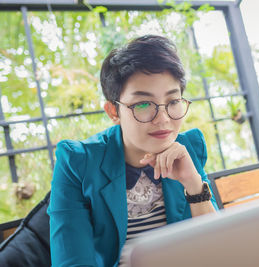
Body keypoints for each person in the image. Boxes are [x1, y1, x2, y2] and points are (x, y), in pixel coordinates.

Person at [47, 35, 219, 267]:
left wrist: (194, 184)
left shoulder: (188, 147)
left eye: (173, 101)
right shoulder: (77, 162)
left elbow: (217, 250)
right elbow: (72, 262)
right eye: (143, 104)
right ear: (113, 111)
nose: (163, 119)